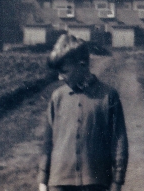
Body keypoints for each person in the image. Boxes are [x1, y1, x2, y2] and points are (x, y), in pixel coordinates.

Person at [38, 34, 128, 191]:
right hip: (59, 183)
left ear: (82, 64)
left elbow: (119, 141)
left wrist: (117, 181)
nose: (60, 77)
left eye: (64, 71)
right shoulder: (57, 97)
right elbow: (47, 142)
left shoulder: (108, 96)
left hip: (95, 183)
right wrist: (43, 180)